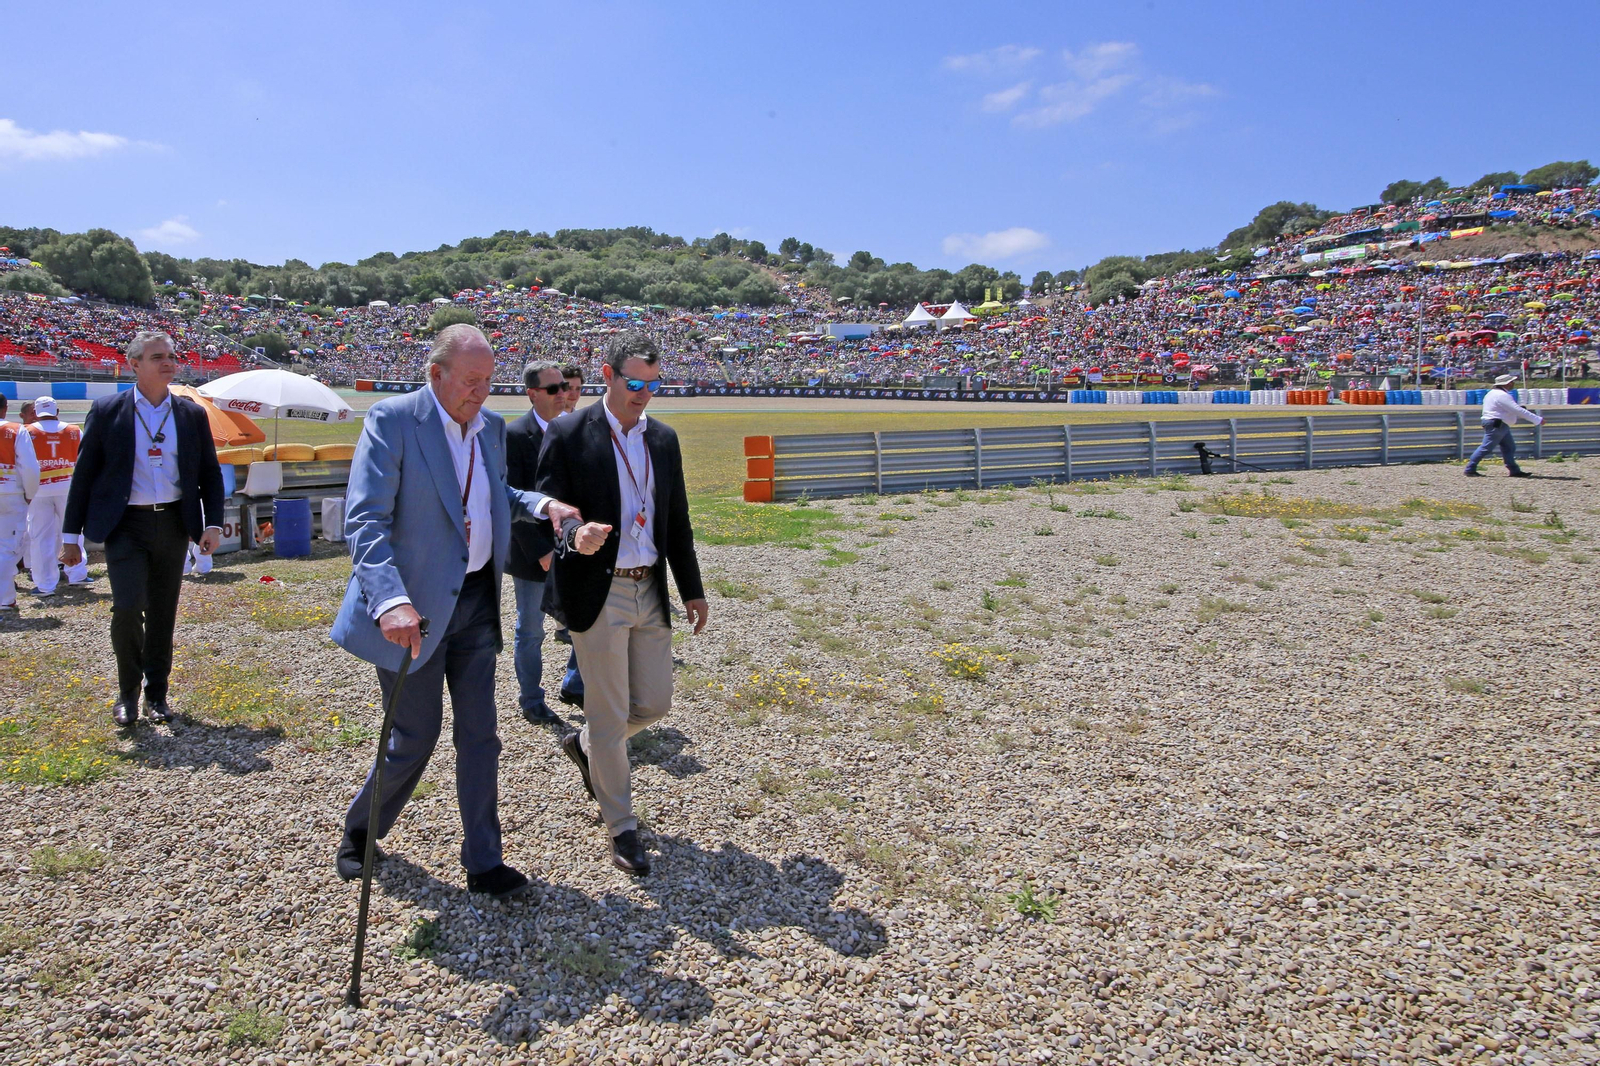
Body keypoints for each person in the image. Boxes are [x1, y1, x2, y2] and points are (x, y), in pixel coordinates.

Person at [328, 324, 585, 899]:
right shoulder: (394, 420)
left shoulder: (488, 428)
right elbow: (365, 520)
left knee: (481, 736)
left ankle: (484, 862)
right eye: (471, 380)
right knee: (413, 737)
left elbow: (497, 493)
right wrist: (389, 600)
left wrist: (542, 504)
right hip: (412, 611)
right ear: (435, 374)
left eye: (489, 380)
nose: (482, 392)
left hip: (475, 604)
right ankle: (361, 832)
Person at [536, 333, 708, 877]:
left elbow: (676, 519)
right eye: (634, 382)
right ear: (608, 376)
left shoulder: (664, 439)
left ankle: (586, 746)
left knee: (654, 705)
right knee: (609, 715)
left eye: (654, 384)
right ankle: (622, 826)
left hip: (649, 587)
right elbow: (549, 510)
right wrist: (574, 535)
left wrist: (692, 588)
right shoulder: (569, 432)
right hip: (598, 589)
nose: (644, 392)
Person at [61, 333, 225, 726]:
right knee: (128, 606)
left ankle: (157, 694)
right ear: (134, 364)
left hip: (172, 522)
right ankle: (127, 693)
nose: (169, 362)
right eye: (158, 357)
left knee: (163, 612)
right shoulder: (107, 411)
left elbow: (209, 472)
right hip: (125, 525)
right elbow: (83, 475)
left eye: (171, 356)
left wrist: (213, 523)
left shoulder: (190, 413)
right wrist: (70, 537)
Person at [504, 360, 566, 724]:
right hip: (533, 554)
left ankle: (577, 685)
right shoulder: (514, 435)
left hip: (573, 546)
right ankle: (531, 699)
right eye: (553, 389)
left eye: (564, 387)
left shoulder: (573, 429)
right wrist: (542, 551)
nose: (562, 394)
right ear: (532, 394)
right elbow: (510, 498)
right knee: (530, 629)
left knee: (583, 623)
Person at [24, 397, 89, 596]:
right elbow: (85, 459)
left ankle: (45, 584)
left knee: (40, 537)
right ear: (57, 411)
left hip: (38, 490)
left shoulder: (27, 431)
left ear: (35, 413)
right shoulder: (74, 431)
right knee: (73, 531)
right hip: (69, 489)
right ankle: (77, 574)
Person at [553, 361, 587, 709]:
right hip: (548, 528)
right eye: (566, 387)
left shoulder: (583, 423)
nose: (571, 394)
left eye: (577, 389)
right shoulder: (549, 424)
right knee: (529, 624)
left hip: (577, 529)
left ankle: (575, 682)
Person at [0, 395, 40, 612]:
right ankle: (4, 598)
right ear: (5, 409)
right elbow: (30, 467)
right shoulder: (16, 430)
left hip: (10, 493)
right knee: (9, 546)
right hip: (9, 493)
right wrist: (30, 493)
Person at [1465, 373, 1544, 478]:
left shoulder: (1492, 393)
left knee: (1509, 447)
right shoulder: (1502, 395)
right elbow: (1517, 410)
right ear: (1507, 383)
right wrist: (1537, 419)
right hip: (1498, 424)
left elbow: (1504, 409)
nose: (1513, 383)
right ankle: (1470, 469)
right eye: (1511, 382)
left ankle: (1514, 470)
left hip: (1498, 424)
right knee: (1487, 447)